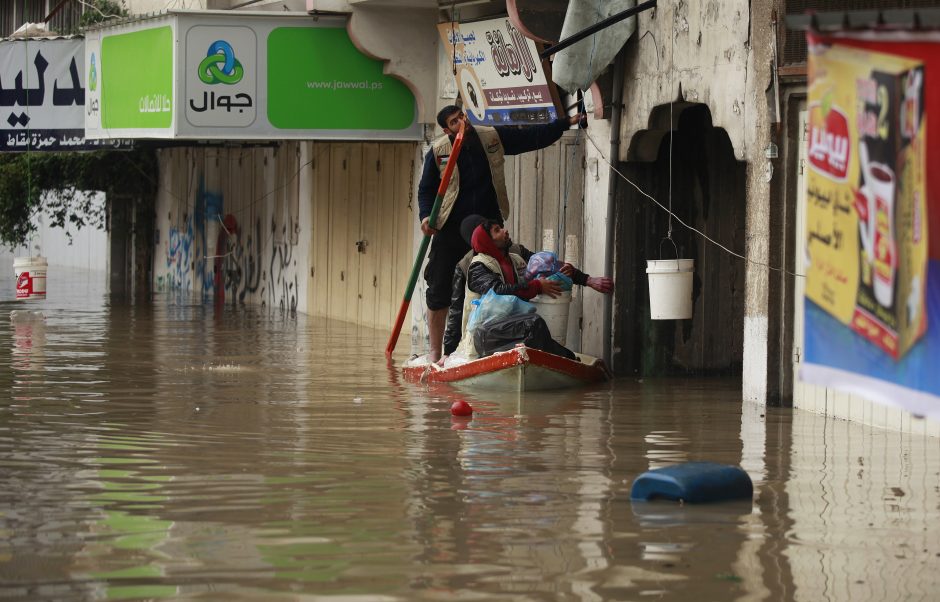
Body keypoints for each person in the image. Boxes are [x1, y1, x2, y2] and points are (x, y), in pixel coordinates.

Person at [419, 105, 584, 362]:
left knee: (495, 283)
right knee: (438, 287)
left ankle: (488, 347)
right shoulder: (438, 151)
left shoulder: (490, 136)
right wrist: (426, 216)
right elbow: (426, 189)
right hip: (449, 228)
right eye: (454, 122)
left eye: (462, 116)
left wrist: (566, 123)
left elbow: (529, 138)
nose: (462, 123)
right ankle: (435, 352)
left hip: (486, 228)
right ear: (446, 129)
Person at [442, 214, 614, 359]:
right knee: (532, 324)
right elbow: (494, 293)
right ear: (486, 241)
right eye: (497, 230)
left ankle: (562, 358)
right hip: (484, 332)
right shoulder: (476, 266)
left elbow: (544, 265)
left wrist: (573, 275)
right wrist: (448, 353)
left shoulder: (516, 256)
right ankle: (568, 359)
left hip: (510, 324)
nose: (505, 231)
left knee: (533, 324)